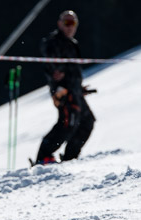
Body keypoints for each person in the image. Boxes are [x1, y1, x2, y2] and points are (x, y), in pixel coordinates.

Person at [34, 10, 95, 165]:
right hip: (63, 91)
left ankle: (70, 157)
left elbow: (72, 70)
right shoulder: (53, 41)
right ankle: (43, 156)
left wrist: (79, 87)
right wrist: (58, 76)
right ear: (60, 24)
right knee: (67, 123)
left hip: (75, 90)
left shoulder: (72, 43)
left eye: (73, 23)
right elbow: (53, 66)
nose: (70, 27)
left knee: (87, 122)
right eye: (67, 23)